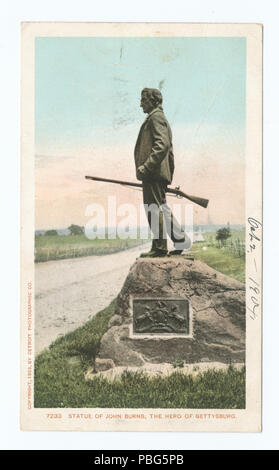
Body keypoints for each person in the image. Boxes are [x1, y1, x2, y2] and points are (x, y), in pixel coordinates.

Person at [134, 88, 191, 257]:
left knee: (154, 209)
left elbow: (162, 145)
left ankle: (159, 248)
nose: (140, 103)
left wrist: (146, 167)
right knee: (161, 208)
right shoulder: (157, 117)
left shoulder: (156, 117)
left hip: (153, 173)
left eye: (143, 100)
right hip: (157, 173)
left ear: (154, 101)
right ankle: (181, 240)